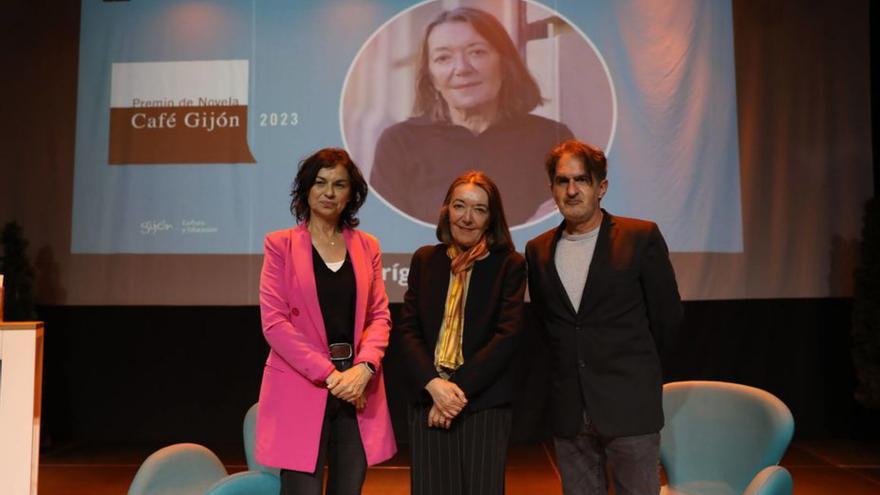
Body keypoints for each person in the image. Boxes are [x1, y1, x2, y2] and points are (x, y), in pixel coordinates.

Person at [525, 140, 683, 495]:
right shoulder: (537, 251)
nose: (571, 189)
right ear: (551, 188)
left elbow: (667, 320)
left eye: (581, 180)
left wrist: (636, 377)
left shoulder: (640, 237)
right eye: (562, 181)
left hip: (628, 407)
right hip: (569, 411)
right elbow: (544, 328)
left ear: (601, 187)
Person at [255, 148, 396, 495]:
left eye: (339, 184)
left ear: (352, 195)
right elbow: (275, 324)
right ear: (306, 189)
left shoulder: (368, 246)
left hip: (358, 385)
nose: (329, 192)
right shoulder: (280, 245)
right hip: (306, 382)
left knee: (349, 488)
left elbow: (380, 316)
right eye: (320, 183)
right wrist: (332, 376)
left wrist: (364, 369)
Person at [370, 6, 573, 226]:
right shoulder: (399, 143)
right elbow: (387, 230)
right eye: (443, 58)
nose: (461, 69)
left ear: (504, 64)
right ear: (431, 77)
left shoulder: (552, 139)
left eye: (476, 52)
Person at [393, 171, 526, 495]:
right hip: (429, 399)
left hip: (483, 404)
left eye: (479, 209)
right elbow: (408, 329)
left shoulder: (509, 264)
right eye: (459, 206)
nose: (467, 218)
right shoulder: (426, 259)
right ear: (446, 211)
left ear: (491, 218)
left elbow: (505, 337)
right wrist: (434, 386)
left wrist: (453, 393)